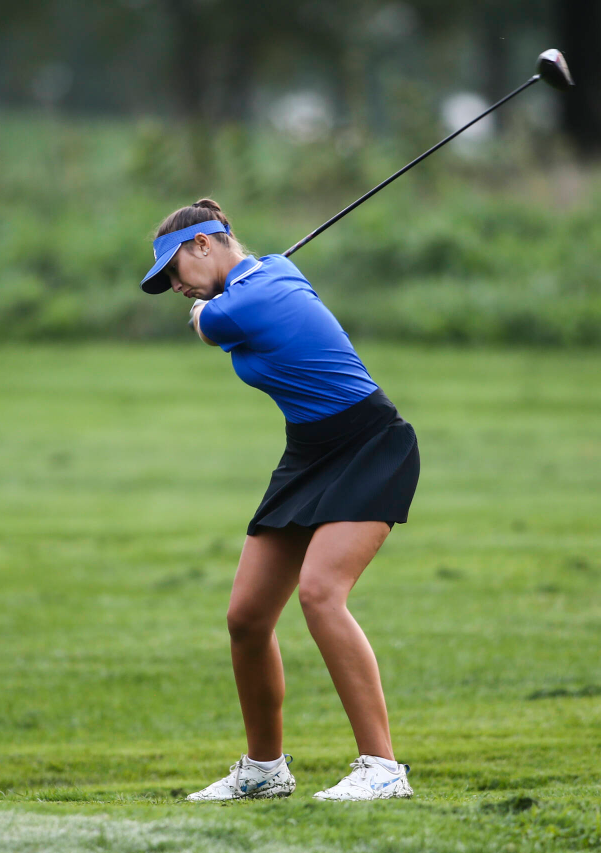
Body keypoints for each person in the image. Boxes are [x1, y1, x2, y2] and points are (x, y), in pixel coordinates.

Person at [139, 199, 420, 802]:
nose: (176, 287)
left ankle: (383, 768)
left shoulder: (254, 296)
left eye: (176, 271)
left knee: (321, 594)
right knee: (246, 617)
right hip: (308, 453)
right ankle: (264, 770)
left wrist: (206, 305)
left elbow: (207, 323)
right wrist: (221, 293)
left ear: (205, 245)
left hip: (370, 444)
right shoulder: (272, 276)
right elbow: (230, 303)